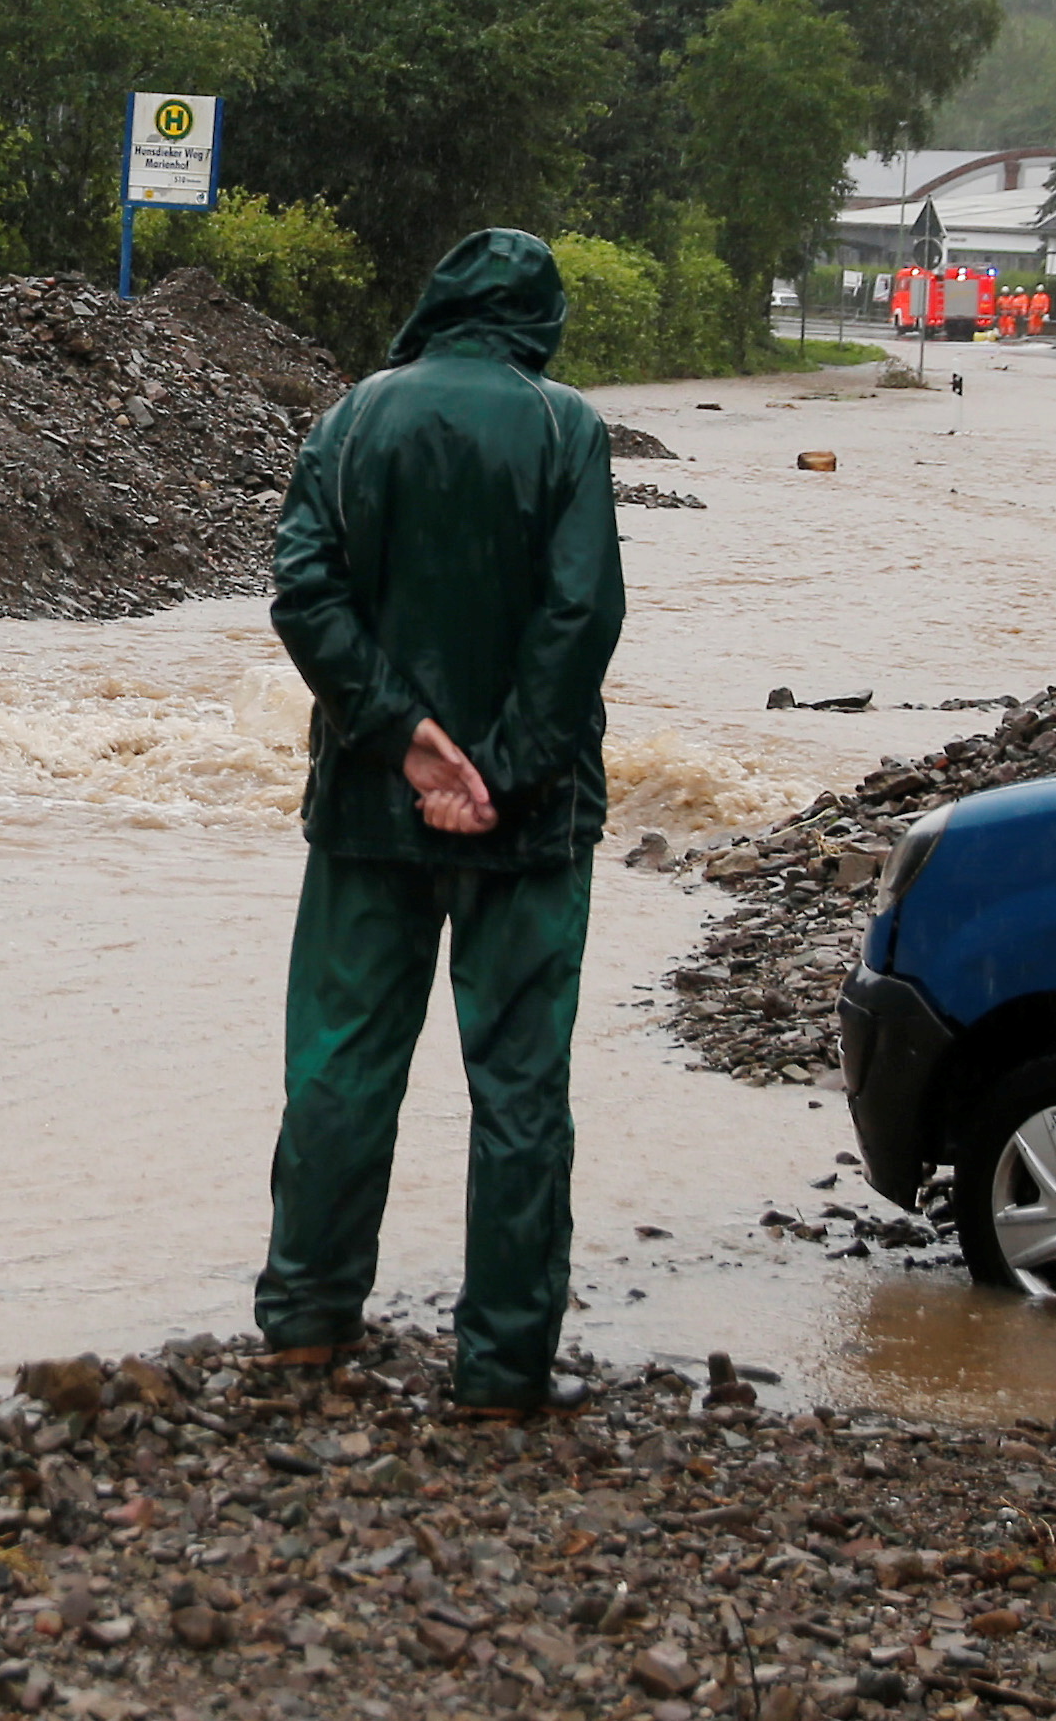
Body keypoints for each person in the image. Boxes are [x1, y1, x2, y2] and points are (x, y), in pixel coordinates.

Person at [253, 228, 625, 1415]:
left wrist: (399, 733)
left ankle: (307, 1323)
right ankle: (502, 1368)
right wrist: (503, 771)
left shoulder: (354, 417)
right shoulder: (567, 427)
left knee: (340, 1065)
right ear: (537, 319)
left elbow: (300, 588)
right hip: (529, 824)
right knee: (520, 1087)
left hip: (370, 806)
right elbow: (580, 618)